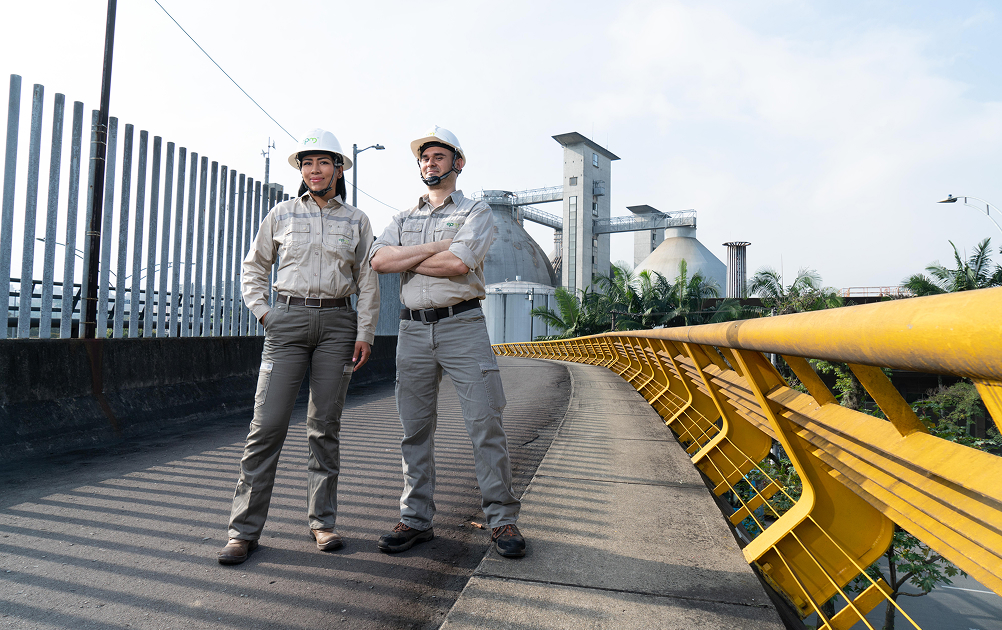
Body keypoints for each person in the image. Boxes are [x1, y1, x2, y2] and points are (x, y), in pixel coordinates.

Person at [217, 128, 380, 565]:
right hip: (286, 322)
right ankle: (242, 531)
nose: (314, 170)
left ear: (338, 169)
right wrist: (264, 313)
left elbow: (367, 279)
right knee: (266, 426)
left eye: (323, 162)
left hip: (338, 326)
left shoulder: (357, 221)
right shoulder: (282, 214)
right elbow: (254, 267)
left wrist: (364, 332)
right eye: (307, 163)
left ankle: (322, 523)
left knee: (323, 427)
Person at [369, 125, 525, 558]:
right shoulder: (403, 218)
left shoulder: (477, 211)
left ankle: (502, 519)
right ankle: (416, 520)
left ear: (457, 163)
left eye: (438, 156)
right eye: (424, 157)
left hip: (463, 326)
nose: (429, 163)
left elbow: (459, 264)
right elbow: (378, 260)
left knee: (485, 423)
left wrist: (408, 259)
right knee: (414, 429)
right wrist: (437, 246)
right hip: (412, 330)